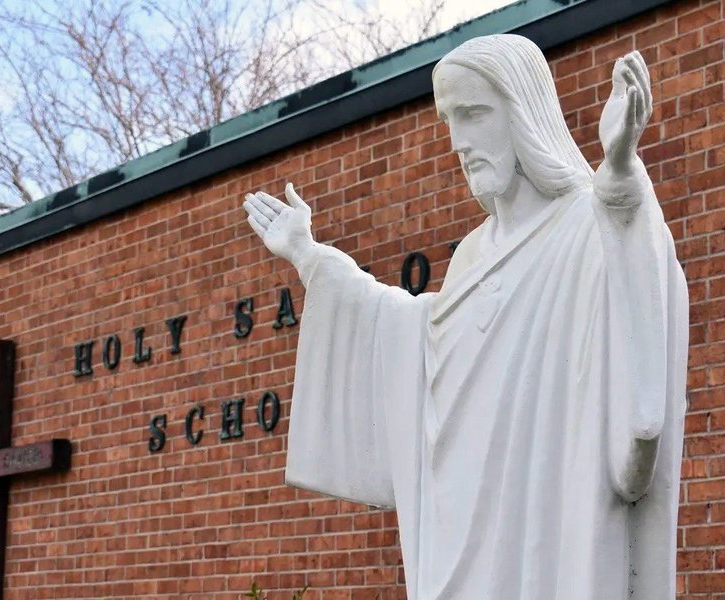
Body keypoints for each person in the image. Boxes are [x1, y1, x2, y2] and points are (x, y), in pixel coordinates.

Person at [243, 34, 687, 600]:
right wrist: (310, 257)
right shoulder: (473, 254)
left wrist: (621, 182)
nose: (458, 141)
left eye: (474, 113)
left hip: (548, 530)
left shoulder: (588, 219)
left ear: (523, 112)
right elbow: (421, 337)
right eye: (449, 118)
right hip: (465, 534)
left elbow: (641, 305)